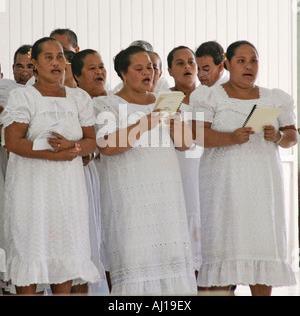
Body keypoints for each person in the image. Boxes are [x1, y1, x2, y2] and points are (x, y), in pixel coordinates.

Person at [190, 40, 298, 296]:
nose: (249, 66)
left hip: (262, 188)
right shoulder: (209, 95)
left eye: (254, 61)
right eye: (242, 61)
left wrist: (279, 137)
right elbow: (197, 135)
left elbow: (292, 134)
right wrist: (231, 137)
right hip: (223, 189)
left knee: (261, 253)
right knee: (222, 253)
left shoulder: (275, 97)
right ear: (227, 64)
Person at [92, 45, 197, 295]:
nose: (147, 72)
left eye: (150, 67)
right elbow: (107, 145)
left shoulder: (165, 102)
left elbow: (185, 144)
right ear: (123, 74)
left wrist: (175, 121)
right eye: (139, 68)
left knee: (170, 263)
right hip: (130, 201)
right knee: (135, 260)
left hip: (166, 199)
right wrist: (147, 121)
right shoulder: (106, 104)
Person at [1, 37, 100, 295]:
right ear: (34, 63)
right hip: (32, 189)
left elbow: (92, 140)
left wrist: (74, 148)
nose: (56, 63)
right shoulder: (23, 97)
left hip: (67, 190)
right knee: (30, 252)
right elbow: (13, 142)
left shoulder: (79, 98)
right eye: (49, 57)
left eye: (60, 57)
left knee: (63, 255)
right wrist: (54, 155)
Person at [71, 49, 108, 294]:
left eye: (101, 67)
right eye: (92, 68)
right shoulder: (72, 103)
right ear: (76, 76)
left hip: (105, 182)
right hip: (78, 179)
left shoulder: (112, 102)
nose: (99, 73)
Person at [167, 46, 202, 280]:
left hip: (205, 172)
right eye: (179, 63)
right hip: (176, 174)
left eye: (190, 62)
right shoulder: (164, 100)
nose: (187, 67)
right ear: (169, 70)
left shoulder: (209, 98)